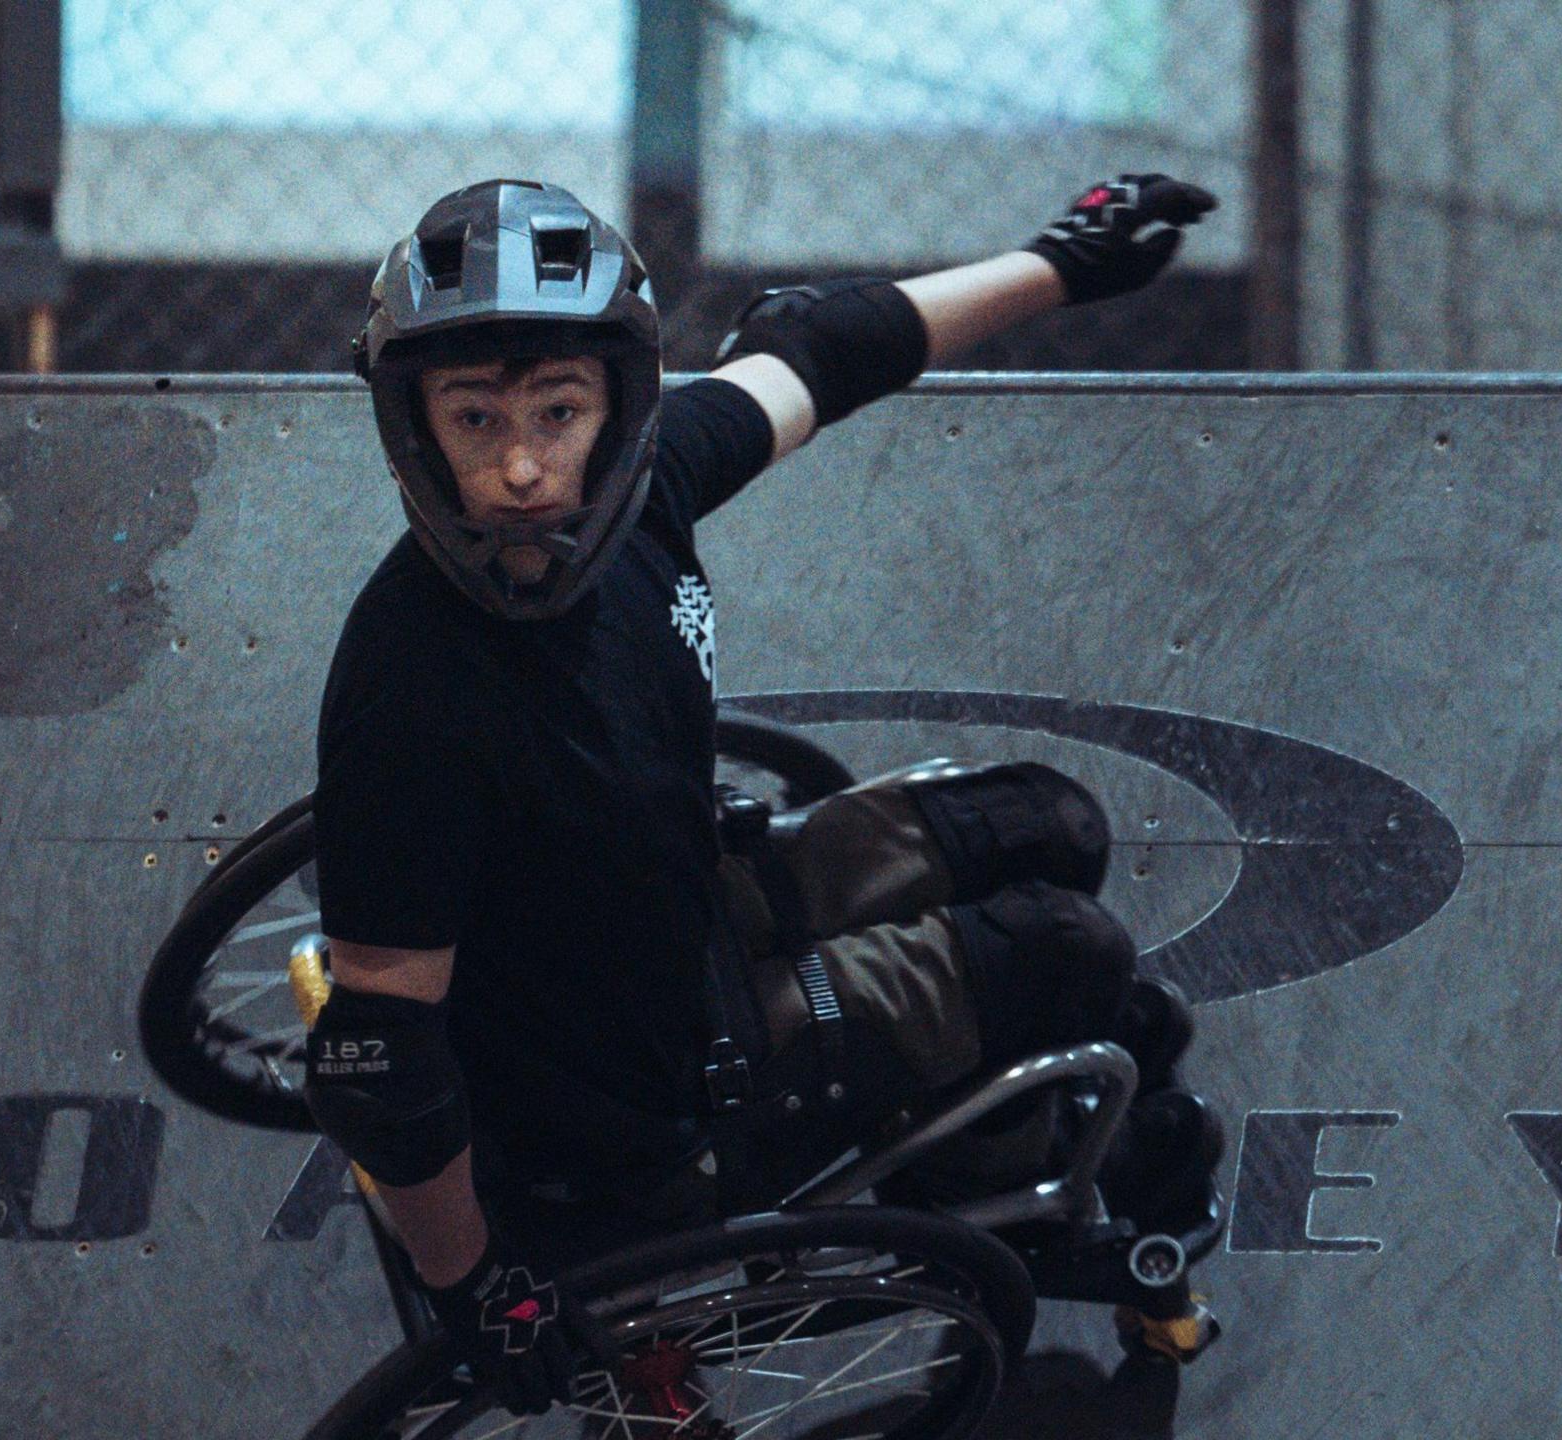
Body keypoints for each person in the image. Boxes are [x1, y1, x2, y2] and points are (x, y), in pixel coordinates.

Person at [306, 174, 1224, 1414]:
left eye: (558, 413)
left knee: (1047, 820)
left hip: (689, 931)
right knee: (1069, 950)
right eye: (475, 422)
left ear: (623, 408)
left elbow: (822, 351)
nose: (524, 469)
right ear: (414, 429)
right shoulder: (407, 682)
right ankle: (992, 1190)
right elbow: (380, 1057)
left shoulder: (646, 496)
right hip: (637, 1124)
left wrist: (1061, 258)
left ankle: (1044, 1114)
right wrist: (480, 1292)